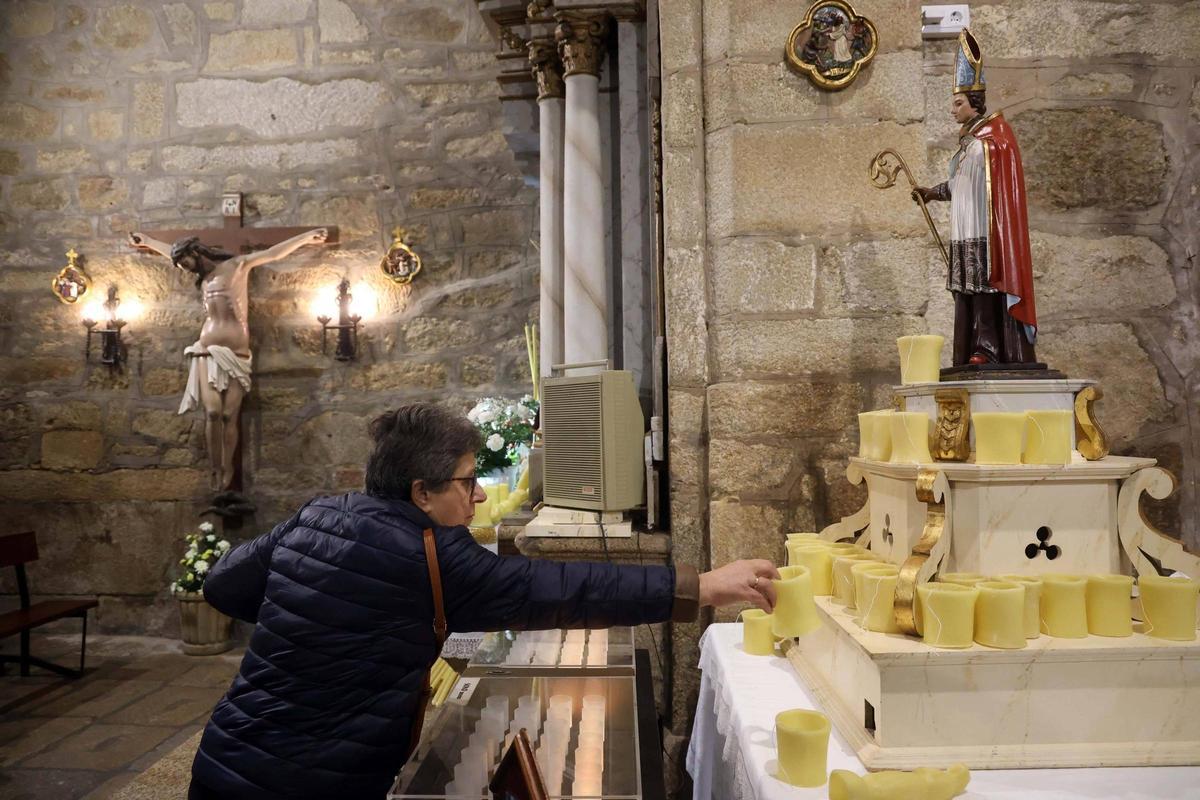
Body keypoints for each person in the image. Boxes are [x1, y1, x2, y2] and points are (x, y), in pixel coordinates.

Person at [189, 402, 779, 799]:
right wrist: (700, 586)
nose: (476, 496)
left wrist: (311, 615)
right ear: (422, 492)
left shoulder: (317, 514)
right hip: (313, 783)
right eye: (468, 481)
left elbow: (223, 584)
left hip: (226, 756)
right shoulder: (434, 556)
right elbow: (558, 590)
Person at [129, 229, 328, 492]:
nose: (187, 269)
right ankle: (216, 468)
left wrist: (305, 237)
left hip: (237, 354)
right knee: (212, 412)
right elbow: (173, 252)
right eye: (182, 266)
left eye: (187, 263)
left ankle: (229, 468)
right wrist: (150, 242)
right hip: (206, 351)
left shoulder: (237, 266)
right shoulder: (204, 278)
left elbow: (273, 253)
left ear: (196, 252)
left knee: (227, 415)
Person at [911, 29, 1038, 368]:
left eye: (958, 103)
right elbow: (960, 185)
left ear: (974, 103)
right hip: (965, 231)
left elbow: (1000, 187)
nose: (953, 110)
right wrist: (931, 193)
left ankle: (989, 349)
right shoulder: (970, 144)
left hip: (987, 232)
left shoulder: (995, 139)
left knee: (985, 289)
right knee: (968, 291)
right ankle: (971, 348)